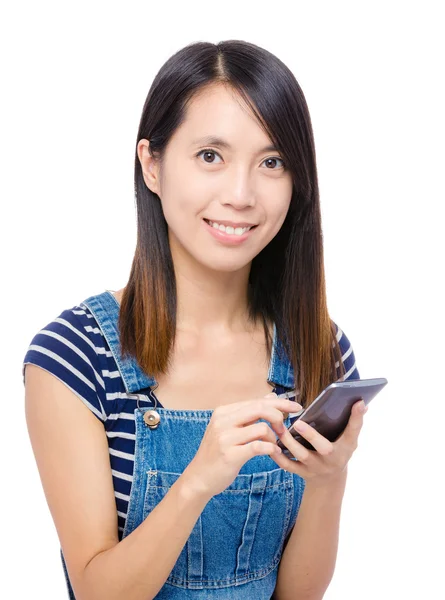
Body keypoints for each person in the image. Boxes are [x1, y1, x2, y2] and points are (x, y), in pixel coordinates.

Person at [23, 39, 365, 600]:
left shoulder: (319, 351)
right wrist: (198, 481)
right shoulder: (76, 357)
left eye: (272, 162)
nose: (240, 194)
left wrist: (329, 481)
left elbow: (298, 596)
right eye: (211, 155)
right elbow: (96, 591)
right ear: (152, 165)